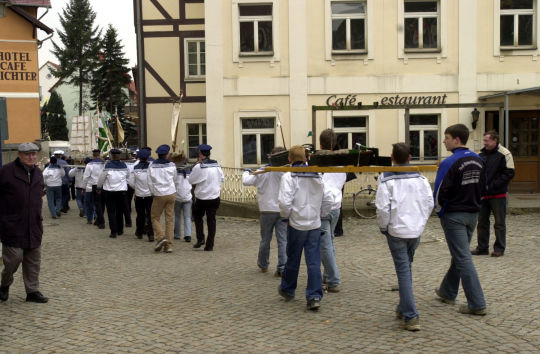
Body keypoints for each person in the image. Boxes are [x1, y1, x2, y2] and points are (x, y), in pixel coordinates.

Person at [375, 142, 433, 331]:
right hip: (415, 229)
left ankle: (411, 315)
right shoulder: (421, 179)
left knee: (403, 271)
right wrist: (421, 223)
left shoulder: (386, 180)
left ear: (392, 158)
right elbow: (429, 203)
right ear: (410, 158)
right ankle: (403, 307)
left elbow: (383, 208)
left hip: (397, 230)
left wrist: (384, 227)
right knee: (406, 267)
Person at [434, 124, 487, 316]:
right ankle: (447, 291)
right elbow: (484, 186)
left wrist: (439, 211)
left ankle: (477, 303)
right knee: (460, 253)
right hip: (473, 213)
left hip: (454, 214)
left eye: (446, 137)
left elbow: (440, 191)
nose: (444, 141)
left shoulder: (450, 162)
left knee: (463, 257)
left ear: (457, 140)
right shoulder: (478, 160)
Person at [277, 145, 333, 311]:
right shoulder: (318, 175)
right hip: (314, 224)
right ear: (306, 158)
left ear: (289, 159)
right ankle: (314, 296)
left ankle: (288, 289)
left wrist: (286, 216)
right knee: (314, 260)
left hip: (296, 223)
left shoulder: (289, 177)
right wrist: (320, 214)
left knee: (293, 258)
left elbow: (284, 202)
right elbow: (329, 199)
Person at [0, 142, 48, 303]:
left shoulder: (38, 173)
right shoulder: (6, 171)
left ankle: (32, 291)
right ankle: (5, 284)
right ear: (19, 155)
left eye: (34, 154)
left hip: (33, 225)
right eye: (27, 154)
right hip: (12, 225)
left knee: (33, 261)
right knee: (14, 259)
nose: (31, 157)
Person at [242, 146, 287, 277]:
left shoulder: (263, 171)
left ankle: (263, 264)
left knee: (265, 239)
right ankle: (282, 267)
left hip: (267, 210)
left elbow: (246, 181)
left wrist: (246, 172)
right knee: (283, 240)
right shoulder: (286, 172)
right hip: (282, 209)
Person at [472, 130, 515, 257]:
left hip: (498, 194)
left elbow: (509, 173)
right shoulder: (481, 154)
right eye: (484, 140)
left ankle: (499, 248)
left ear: (495, 141)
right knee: (482, 222)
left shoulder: (505, 153)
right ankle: (482, 247)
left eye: (487, 141)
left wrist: (493, 186)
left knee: (499, 223)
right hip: (483, 195)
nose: (484, 143)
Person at [317, 129, 346, 292]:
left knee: (325, 245)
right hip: (336, 205)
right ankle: (328, 276)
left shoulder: (321, 161)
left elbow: (322, 185)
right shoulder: (341, 160)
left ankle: (333, 280)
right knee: (330, 242)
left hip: (326, 205)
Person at [189, 144, 224, 251]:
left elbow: (191, 181)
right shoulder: (216, 165)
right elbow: (222, 178)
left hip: (202, 197)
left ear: (200, 154)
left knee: (198, 217)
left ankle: (200, 239)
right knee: (211, 220)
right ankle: (210, 245)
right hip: (214, 197)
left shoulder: (199, 167)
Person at [147, 144, 177, 253]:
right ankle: (168, 245)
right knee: (169, 219)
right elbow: (175, 178)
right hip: (170, 193)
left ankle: (160, 237)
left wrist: (153, 192)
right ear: (167, 155)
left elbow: (149, 182)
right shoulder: (172, 165)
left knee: (155, 217)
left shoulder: (151, 166)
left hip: (159, 194)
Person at [97, 149, 130, 238]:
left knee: (111, 212)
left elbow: (101, 178)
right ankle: (120, 230)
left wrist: (99, 187)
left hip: (110, 192)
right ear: (119, 156)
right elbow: (128, 176)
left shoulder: (107, 166)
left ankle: (113, 232)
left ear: (111, 155)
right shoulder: (124, 165)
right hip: (121, 191)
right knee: (120, 211)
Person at [128, 148, 154, 242]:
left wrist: (136, 188)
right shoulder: (151, 167)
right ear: (148, 157)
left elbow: (130, 182)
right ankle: (151, 234)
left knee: (140, 214)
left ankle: (139, 232)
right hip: (149, 194)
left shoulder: (135, 168)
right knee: (150, 214)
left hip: (139, 194)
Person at [83, 149, 106, 229]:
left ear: (93, 155)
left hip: (95, 185)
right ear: (99, 154)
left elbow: (86, 177)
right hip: (104, 185)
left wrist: (84, 187)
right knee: (102, 204)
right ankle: (99, 220)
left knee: (97, 204)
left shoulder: (90, 165)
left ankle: (101, 221)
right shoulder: (104, 163)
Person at [174, 164, 193, 242]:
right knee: (187, 217)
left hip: (177, 198)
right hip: (188, 197)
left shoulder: (175, 173)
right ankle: (188, 235)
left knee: (177, 216)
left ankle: (177, 234)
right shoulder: (190, 173)